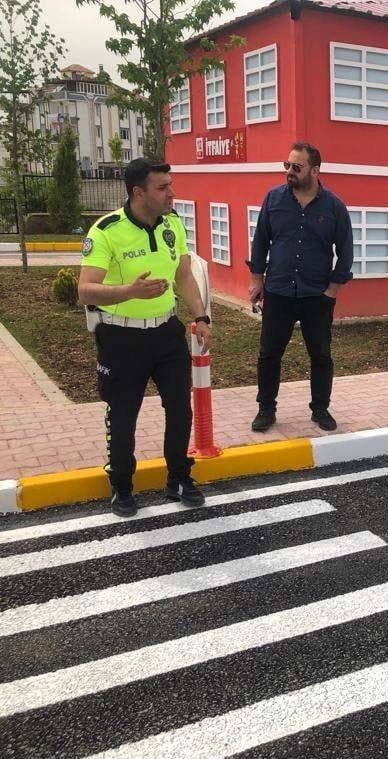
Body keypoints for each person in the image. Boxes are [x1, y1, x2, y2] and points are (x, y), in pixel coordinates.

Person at [78, 158, 212, 517]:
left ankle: (179, 478)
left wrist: (200, 316)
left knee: (180, 411)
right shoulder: (106, 231)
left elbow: (184, 275)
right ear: (139, 193)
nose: (172, 193)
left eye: (171, 184)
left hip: (167, 334)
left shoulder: (172, 225)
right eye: (162, 187)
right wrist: (129, 292)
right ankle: (122, 486)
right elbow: (85, 291)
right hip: (121, 339)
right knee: (123, 415)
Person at [248, 141, 354, 434]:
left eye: (297, 167)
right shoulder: (273, 200)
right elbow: (260, 242)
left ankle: (320, 409)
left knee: (320, 355)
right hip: (279, 292)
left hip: (316, 296)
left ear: (315, 170)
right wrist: (256, 280)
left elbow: (346, 251)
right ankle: (266, 409)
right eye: (287, 165)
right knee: (269, 354)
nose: (289, 172)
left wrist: (333, 289)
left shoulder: (334, 207)